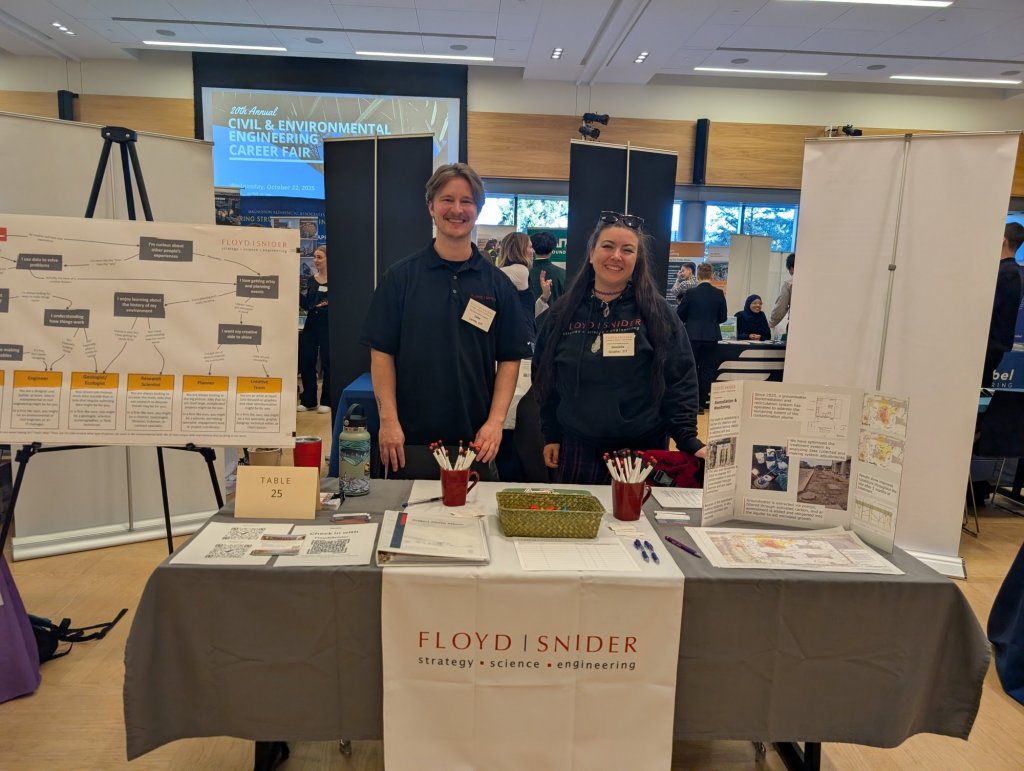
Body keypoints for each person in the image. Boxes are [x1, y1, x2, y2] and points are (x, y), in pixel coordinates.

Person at [360, 163, 531, 476]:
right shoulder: (400, 278)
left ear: (477, 209)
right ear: (431, 207)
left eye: (466, 201)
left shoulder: (498, 284)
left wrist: (495, 424)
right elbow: (381, 352)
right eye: (447, 200)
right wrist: (388, 421)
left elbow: (509, 359)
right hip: (407, 443)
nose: (457, 209)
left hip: (476, 443)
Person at [533, 211, 705, 485]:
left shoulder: (658, 312)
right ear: (591, 253)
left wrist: (687, 438)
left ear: (637, 260)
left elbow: (680, 377)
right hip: (577, 446)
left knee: (638, 526)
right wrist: (550, 433)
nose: (616, 256)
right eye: (607, 247)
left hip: (641, 449)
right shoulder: (563, 312)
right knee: (577, 526)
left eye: (627, 250)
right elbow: (545, 377)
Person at [677, 263, 727, 410]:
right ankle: (701, 404)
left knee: (691, 369)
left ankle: (689, 403)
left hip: (692, 335)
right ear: (711, 275)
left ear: (698, 275)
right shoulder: (719, 293)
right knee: (707, 370)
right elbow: (723, 317)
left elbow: (680, 314)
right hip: (711, 336)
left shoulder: (691, 293)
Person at [984, 223, 1024, 386]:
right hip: (993, 344)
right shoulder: (1011, 271)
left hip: (990, 345)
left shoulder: (1007, 273)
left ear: (1002, 240)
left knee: (978, 388)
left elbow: (988, 308)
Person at [496, 232, 553, 346]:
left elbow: (528, 313)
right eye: (530, 247)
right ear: (519, 249)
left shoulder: (519, 273)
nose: (532, 251)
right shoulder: (520, 270)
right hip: (519, 341)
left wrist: (544, 298)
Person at [297, 245, 331, 413]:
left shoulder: (336, 281)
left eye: (319, 257)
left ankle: (327, 400)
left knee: (328, 363)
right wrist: (296, 295)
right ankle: (309, 400)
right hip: (311, 325)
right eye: (314, 257)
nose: (315, 260)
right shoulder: (311, 280)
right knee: (306, 361)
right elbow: (308, 305)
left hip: (328, 325)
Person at [529, 231, 565, 304]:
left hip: (530, 315)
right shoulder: (563, 274)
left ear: (533, 248)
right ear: (553, 248)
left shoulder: (526, 273)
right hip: (557, 314)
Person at [769, 252, 795, 331]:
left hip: (796, 323)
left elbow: (781, 306)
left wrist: (772, 322)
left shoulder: (789, 283)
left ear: (791, 268)